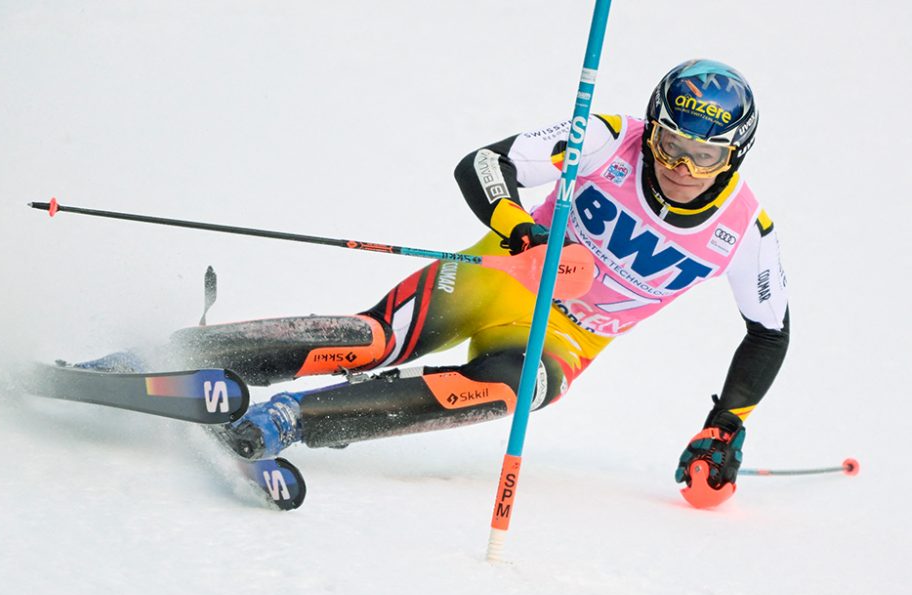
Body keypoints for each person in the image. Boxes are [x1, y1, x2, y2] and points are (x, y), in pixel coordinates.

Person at [84, 59, 789, 495]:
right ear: (655, 125)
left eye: (703, 155)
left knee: (524, 388)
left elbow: (769, 333)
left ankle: (292, 420)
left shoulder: (745, 231)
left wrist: (725, 425)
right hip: (504, 274)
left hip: (565, 334)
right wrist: (523, 230)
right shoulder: (611, 136)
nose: (678, 166)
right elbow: (483, 163)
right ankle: (168, 358)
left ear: (733, 154)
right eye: (670, 143)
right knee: (375, 338)